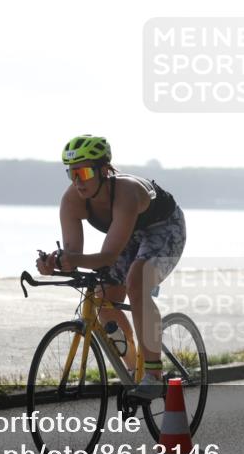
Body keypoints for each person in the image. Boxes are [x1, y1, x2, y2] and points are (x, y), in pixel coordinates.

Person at [36, 135, 186, 400]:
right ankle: (134, 372)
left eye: (83, 172)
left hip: (163, 228)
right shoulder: (72, 200)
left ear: (104, 171)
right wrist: (54, 263)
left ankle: (153, 375)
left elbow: (107, 255)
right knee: (102, 297)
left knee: (136, 282)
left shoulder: (126, 192)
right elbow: (74, 254)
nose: (77, 181)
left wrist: (71, 260)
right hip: (129, 235)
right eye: (71, 173)